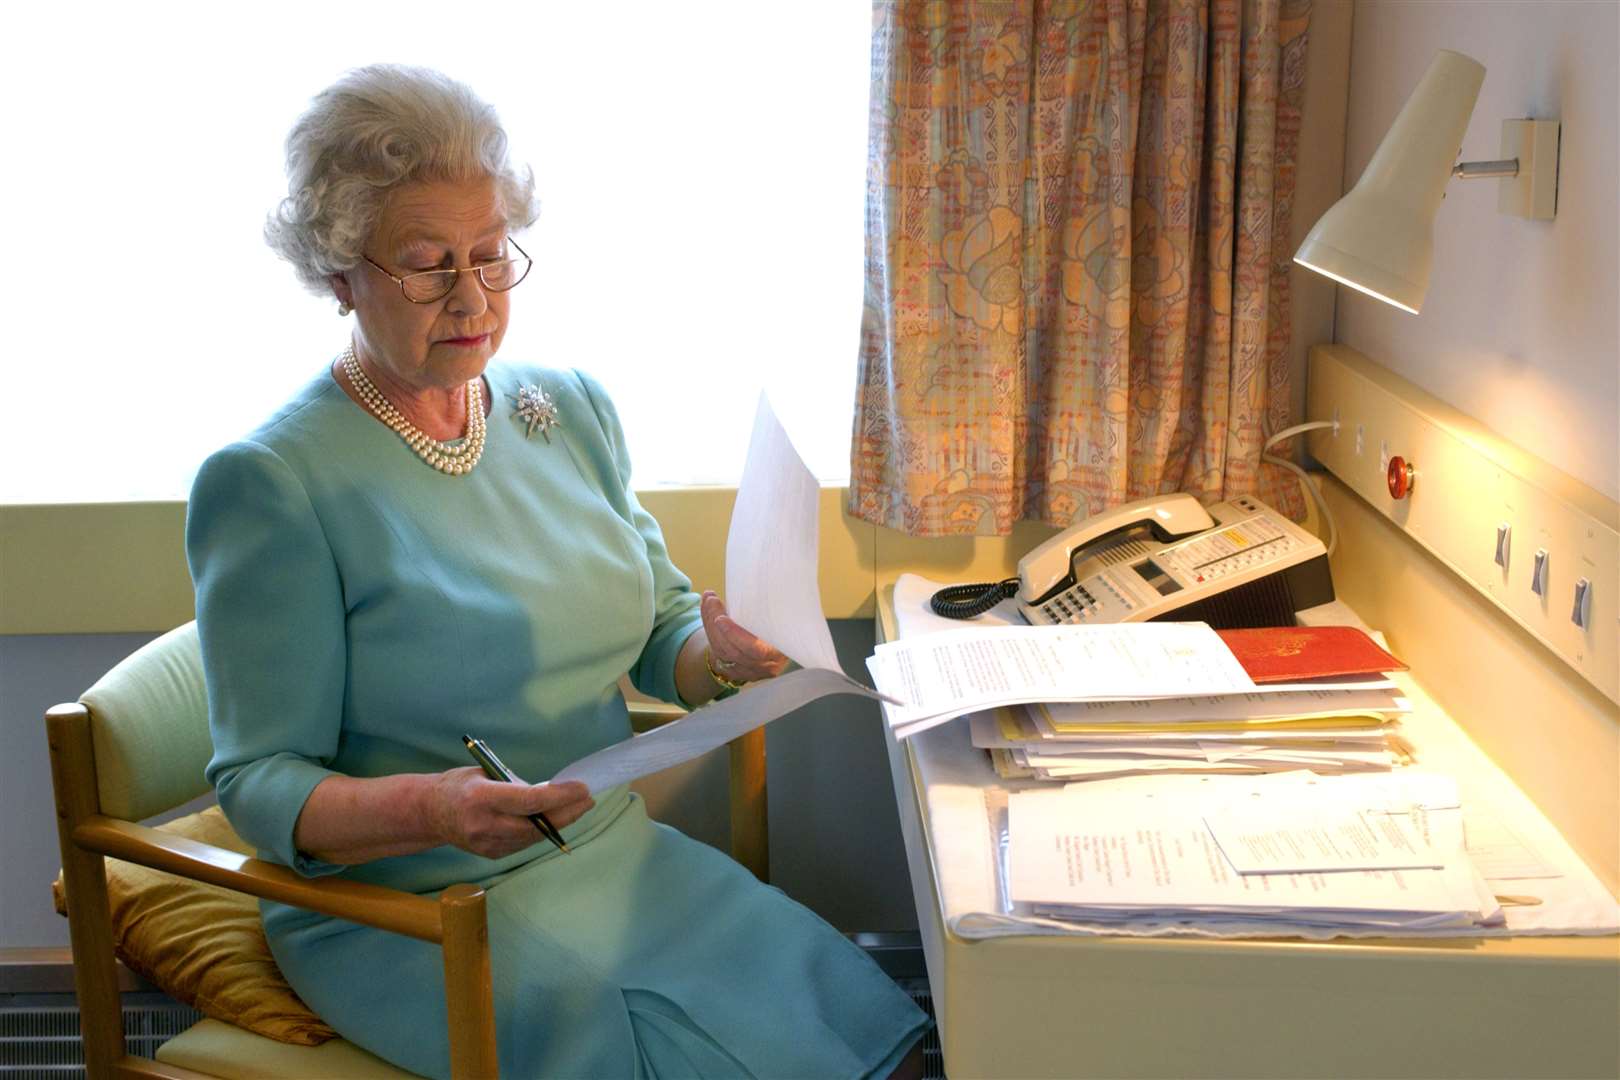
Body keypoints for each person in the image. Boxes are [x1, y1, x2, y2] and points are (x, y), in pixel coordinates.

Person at [186, 64, 929, 1079]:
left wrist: (723, 651)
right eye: (425, 264)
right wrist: (436, 810)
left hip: (608, 852)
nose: (472, 298)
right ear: (338, 272)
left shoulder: (565, 407)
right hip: (418, 903)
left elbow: (660, 625)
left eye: (491, 255)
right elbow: (260, 783)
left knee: (858, 1024)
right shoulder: (272, 484)